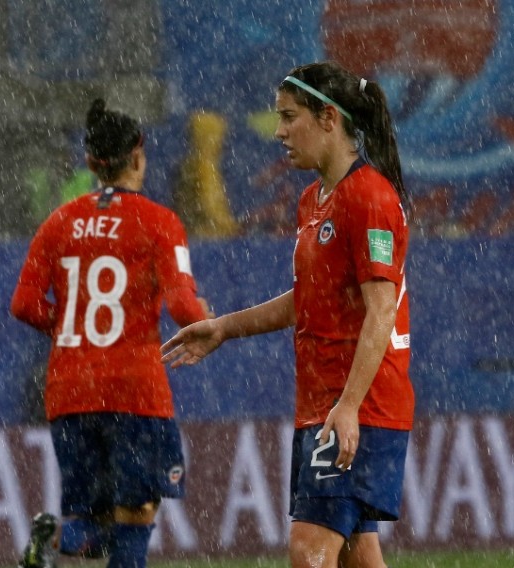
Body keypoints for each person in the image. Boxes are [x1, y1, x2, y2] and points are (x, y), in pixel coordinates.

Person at [162, 61, 413, 568]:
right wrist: (225, 327)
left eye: (289, 116)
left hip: (356, 404)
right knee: (357, 556)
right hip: (325, 402)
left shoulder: (369, 197)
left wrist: (348, 405)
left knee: (308, 552)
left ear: (328, 119)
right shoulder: (312, 201)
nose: (279, 132)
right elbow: (309, 299)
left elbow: (382, 310)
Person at [10, 98, 211, 568]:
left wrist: (71, 325)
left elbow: (23, 304)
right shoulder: (160, 223)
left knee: (94, 525)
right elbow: (182, 306)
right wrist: (205, 317)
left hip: (71, 391)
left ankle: (58, 538)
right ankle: (59, 541)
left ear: (90, 163)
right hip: (133, 390)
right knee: (136, 515)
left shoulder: (59, 222)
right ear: (138, 157)